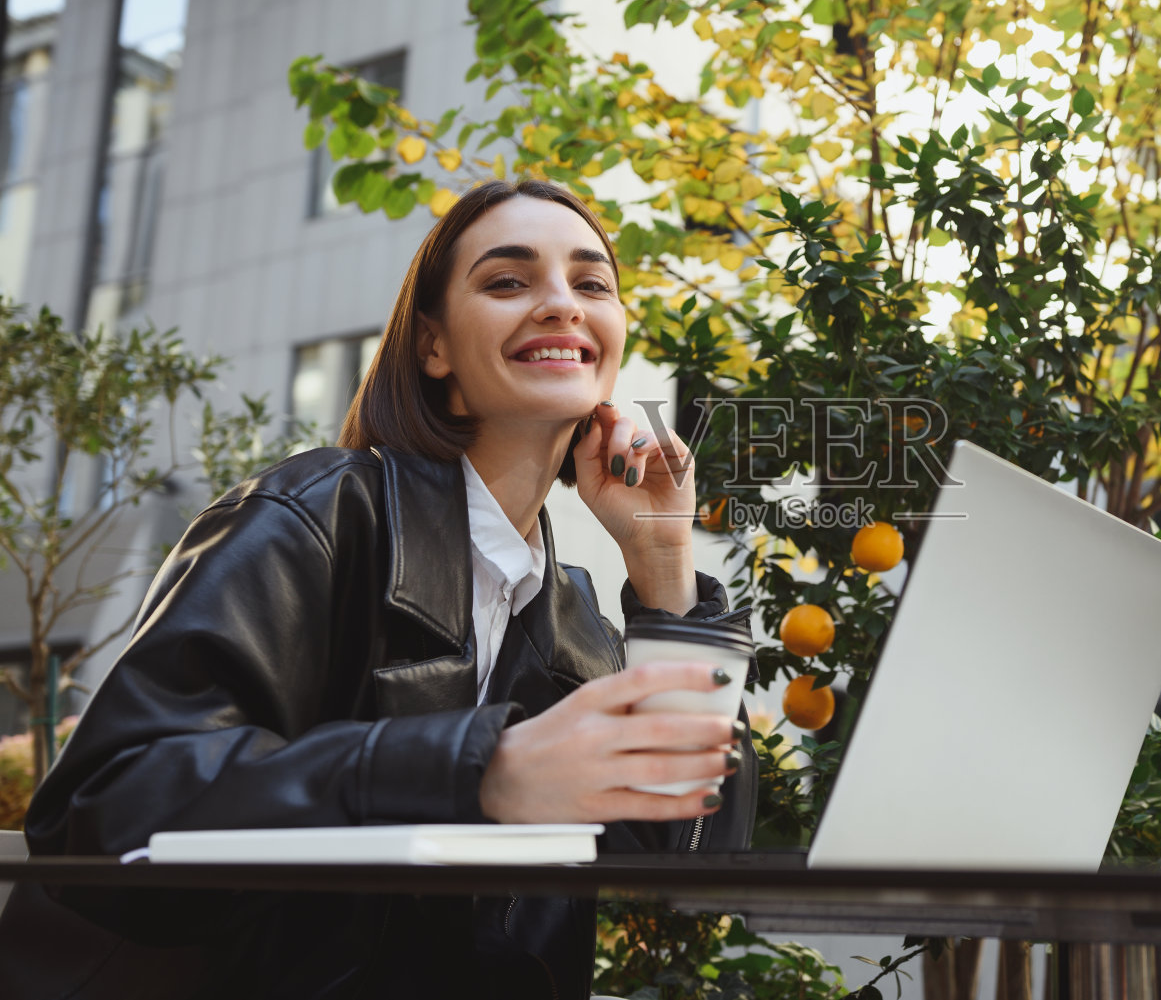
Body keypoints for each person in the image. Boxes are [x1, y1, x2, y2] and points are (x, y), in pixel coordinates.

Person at [0, 178, 757, 999]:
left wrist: (664, 564)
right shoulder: (317, 513)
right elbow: (104, 808)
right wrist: (480, 769)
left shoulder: (569, 612)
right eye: (508, 280)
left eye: (591, 284)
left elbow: (690, 848)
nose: (560, 305)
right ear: (433, 347)